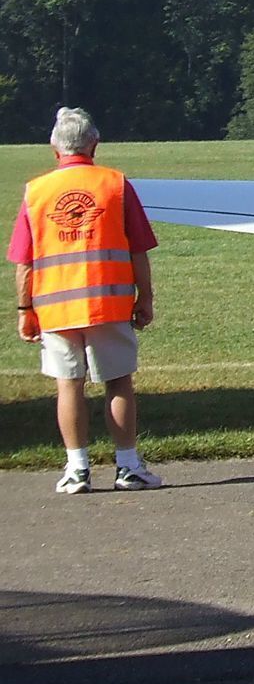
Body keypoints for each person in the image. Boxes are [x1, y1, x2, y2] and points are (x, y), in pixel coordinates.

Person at [10, 107, 164, 494]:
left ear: (53, 148)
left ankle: (77, 468)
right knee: (117, 383)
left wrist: (25, 309)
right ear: (94, 143)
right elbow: (138, 250)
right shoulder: (115, 184)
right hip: (108, 301)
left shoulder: (36, 191)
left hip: (56, 306)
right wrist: (144, 298)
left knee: (69, 385)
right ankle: (128, 465)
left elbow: (24, 262)